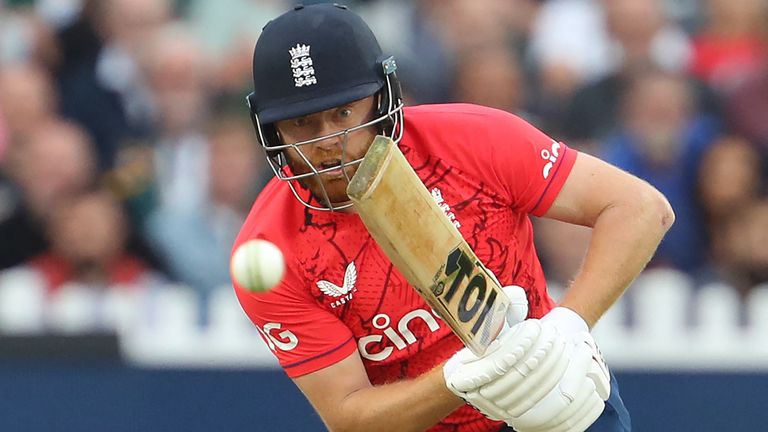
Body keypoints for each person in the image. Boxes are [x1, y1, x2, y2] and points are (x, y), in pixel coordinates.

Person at [233, 4, 673, 432]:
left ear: (383, 97)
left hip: (554, 396)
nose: (329, 141)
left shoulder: (472, 141)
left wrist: (569, 326)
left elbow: (640, 208)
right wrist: (459, 381)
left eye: (344, 112)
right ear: (270, 130)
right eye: (303, 124)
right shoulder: (272, 248)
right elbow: (350, 417)